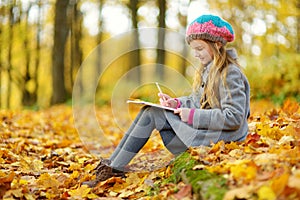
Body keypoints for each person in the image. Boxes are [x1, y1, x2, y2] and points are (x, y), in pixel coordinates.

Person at [83, 14, 250, 187]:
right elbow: (197, 101)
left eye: (199, 48)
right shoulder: (208, 69)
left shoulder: (229, 73)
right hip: (204, 138)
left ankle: (115, 167)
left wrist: (192, 116)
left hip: (219, 144)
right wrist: (176, 103)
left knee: (154, 114)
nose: (195, 54)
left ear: (217, 45)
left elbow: (235, 117)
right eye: (193, 49)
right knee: (149, 110)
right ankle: (112, 164)